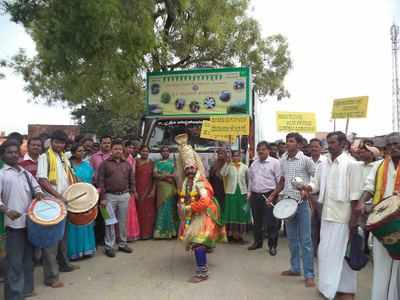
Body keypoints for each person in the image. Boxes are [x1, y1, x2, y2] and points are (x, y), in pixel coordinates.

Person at [305, 132, 362, 300]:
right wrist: (306, 187)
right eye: (328, 142)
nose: (330, 146)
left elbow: (355, 197)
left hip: (343, 219)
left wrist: (353, 224)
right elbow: (315, 184)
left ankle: (346, 291)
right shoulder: (323, 164)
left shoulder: (352, 164)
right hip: (326, 217)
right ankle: (331, 288)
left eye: (333, 143)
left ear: (343, 144)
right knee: (325, 255)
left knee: (342, 257)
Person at [175, 133, 226, 283]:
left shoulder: (201, 182)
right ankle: (206, 249)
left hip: (205, 214)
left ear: (196, 167)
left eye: (192, 167)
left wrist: (187, 209)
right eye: (187, 168)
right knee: (195, 242)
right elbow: (184, 197)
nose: (190, 170)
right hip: (194, 215)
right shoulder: (186, 182)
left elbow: (205, 201)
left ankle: (202, 273)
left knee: (197, 242)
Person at [268, 132, 316, 287]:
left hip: (302, 204)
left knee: (306, 240)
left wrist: (307, 190)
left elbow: (316, 180)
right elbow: (283, 180)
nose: (287, 144)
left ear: (299, 144)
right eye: (287, 141)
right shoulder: (283, 160)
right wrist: (273, 195)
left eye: (291, 141)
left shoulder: (306, 161)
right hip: (287, 203)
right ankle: (295, 268)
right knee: (292, 239)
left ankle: (309, 274)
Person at [0, 139, 44, 300]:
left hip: (30, 223)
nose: (13, 155)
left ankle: (27, 289)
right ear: (3, 155)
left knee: (28, 259)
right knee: (14, 262)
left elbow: (36, 187)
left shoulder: (24, 173)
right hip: (13, 225)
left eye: (15, 152)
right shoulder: (2, 174)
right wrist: (7, 210)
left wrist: (39, 194)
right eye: (9, 152)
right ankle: (14, 295)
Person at [359, 132, 400, 300]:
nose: (393, 147)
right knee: (381, 264)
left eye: (397, 143)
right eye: (390, 144)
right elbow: (369, 187)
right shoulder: (378, 166)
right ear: (385, 148)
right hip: (382, 223)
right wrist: (362, 203)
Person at [37, 130, 79, 288]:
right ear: (51, 142)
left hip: (65, 202)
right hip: (52, 204)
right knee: (51, 241)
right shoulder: (44, 157)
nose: (60, 145)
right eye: (57, 142)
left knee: (63, 238)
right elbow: (42, 180)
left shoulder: (63, 158)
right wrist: (57, 196)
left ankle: (64, 265)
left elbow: (70, 177)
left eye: (62, 143)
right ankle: (51, 277)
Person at [97, 139, 135, 257]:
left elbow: (132, 179)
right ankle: (109, 246)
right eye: (115, 149)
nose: (118, 151)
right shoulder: (104, 164)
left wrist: (131, 192)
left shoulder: (126, 164)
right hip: (108, 197)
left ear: (122, 150)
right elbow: (100, 181)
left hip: (124, 196)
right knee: (109, 222)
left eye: (119, 149)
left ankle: (123, 244)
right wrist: (102, 198)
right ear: (111, 150)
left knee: (123, 221)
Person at [248, 141, 281, 255]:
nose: (260, 151)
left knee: (272, 222)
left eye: (263, 149)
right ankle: (258, 242)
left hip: (269, 195)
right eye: (259, 149)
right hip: (255, 195)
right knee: (256, 221)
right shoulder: (254, 163)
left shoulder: (275, 163)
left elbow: (279, 181)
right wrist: (249, 193)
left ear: (268, 150)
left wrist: (274, 196)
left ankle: (272, 245)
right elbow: (251, 180)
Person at [67, 144, 96, 260]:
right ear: (73, 153)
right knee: (74, 224)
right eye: (79, 151)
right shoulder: (68, 167)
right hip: (73, 198)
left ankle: (87, 249)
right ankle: (75, 252)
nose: (82, 153)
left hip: (87, 197)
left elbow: (92, 181)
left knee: (87, 222)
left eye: (83, 151)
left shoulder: (87, 166)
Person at [220, 150, 250, 244]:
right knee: (231, 213)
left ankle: (240, 236)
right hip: (231, 193)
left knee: (241, 213)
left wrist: (249, 192)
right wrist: (227, 163)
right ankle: (231, 235)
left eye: (237, 156)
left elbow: (249, 180)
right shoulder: (229, 166)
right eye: (234, 156)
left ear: (240, 157)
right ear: (232, 157)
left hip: (242, 193)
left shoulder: (245, 167)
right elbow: (222, 174)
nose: (236, 157)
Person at [90, 135, 112, 245]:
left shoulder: (114, 156)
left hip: (111, 190)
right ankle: (99, 239)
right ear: (100, 144)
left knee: (109, 215)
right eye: (104, 143)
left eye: (108, 143)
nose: (107, 145)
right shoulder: (94, 157)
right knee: (100, 215)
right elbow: (91, 173)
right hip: (98, 189)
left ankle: (109, 237)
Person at [153, 146, 178, 239]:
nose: (165, 152)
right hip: (161, 188)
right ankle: (160, 232)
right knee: (161, 208)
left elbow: (175, 175)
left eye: (167, 151)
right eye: (163, 151)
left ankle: (171, 232)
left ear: (169, 152)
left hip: (170, 188)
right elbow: (154, 174)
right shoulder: (157, 162)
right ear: (160, 153)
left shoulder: (173, 162)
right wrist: (167, 177)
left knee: (170, 208)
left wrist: (164, 175)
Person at [309, 138, 326, 256]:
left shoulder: (325, 162)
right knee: (311, 225)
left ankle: (322, 250)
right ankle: (312, 250)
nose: (314, 148)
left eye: (316, 146)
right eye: (312, 146)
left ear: (321, 148)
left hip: (322, 197)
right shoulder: (306, 161)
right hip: (308, 196)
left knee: (323, 225)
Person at [135, 145, 156, 239]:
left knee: (149, 213)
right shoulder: (136, 162)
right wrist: (134, 191)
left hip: (149, 190)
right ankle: (139, 234)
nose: (145, 153)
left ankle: (148, 234)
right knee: (139, 213)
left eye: (147, 151)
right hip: (138, 190)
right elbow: (133, 177)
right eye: (143, 151)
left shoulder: (152, 163)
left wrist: (153, 190)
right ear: (140, 152)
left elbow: (154, 178)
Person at [124, 140, 140, 241]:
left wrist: (134, 190)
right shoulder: (119, 158)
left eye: (132, 148)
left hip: (129, 189)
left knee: (130, 212)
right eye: (129, 147)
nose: (130, 149)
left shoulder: (132, 160)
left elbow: (133, 176)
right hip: (119, 188)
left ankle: (130, 234)